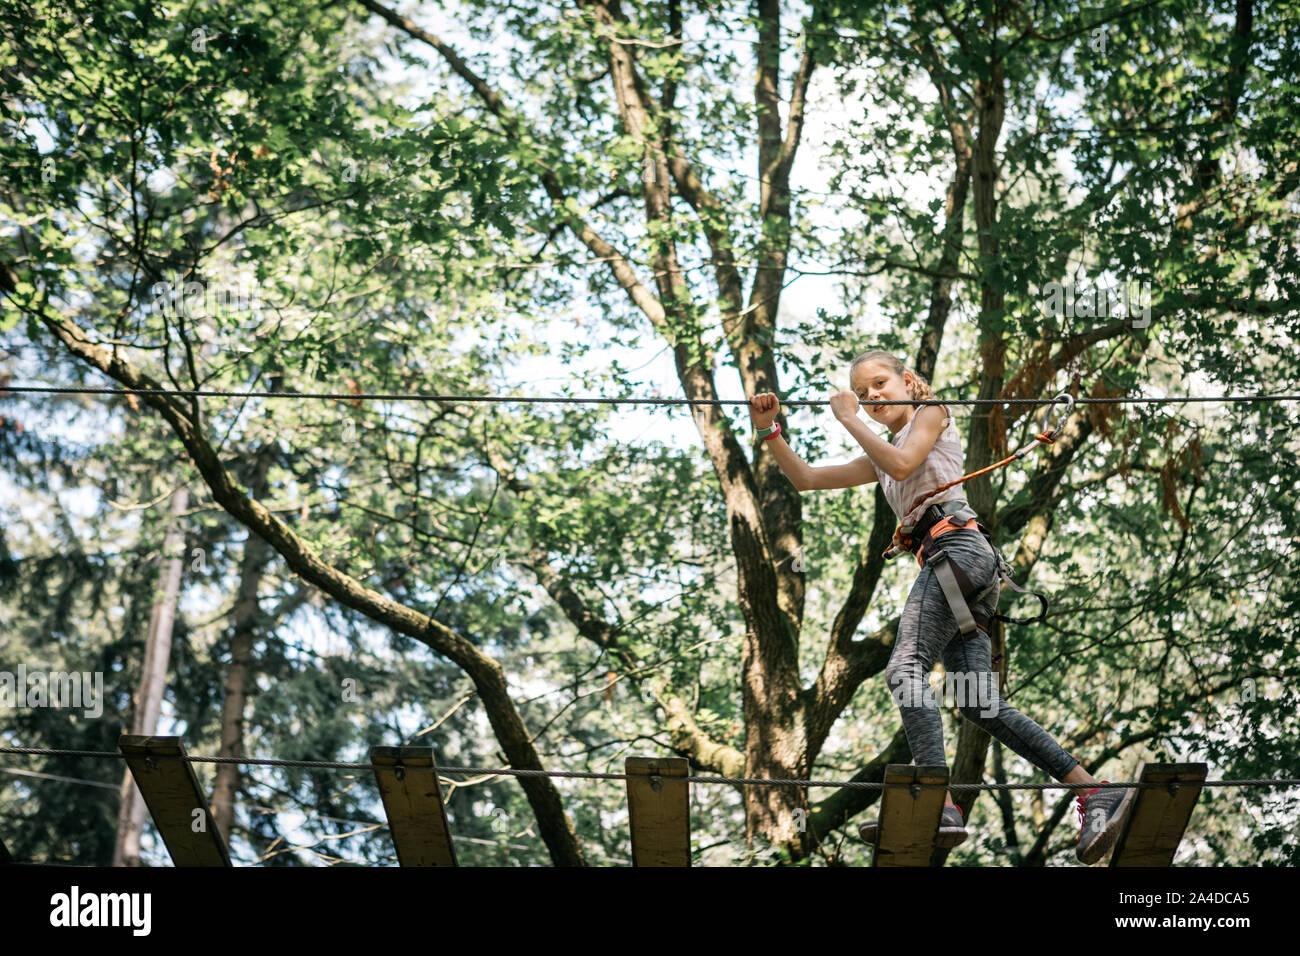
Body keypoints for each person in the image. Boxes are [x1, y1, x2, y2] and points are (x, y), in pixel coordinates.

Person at [748, 349, 1134, 864]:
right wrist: (770, 431)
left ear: (908, 381)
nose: (871, 398)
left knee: (903, 668)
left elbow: (905, 462)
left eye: (879, 385)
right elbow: (809, 479)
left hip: (960, 553)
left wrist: (847, 418)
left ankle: (938, 803)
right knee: (979, 703)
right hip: (958, 573)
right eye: (862, 396)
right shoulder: (881, 454)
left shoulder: (932, 413)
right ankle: (1094, 791)